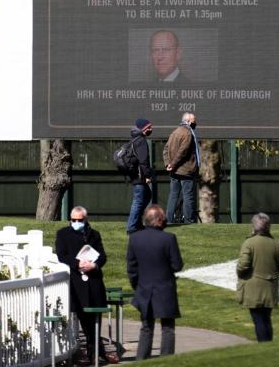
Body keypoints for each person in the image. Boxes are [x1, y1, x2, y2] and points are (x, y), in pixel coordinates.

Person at [55, 206, 120, 365]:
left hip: (94, 281)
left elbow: (102, 257)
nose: (77, 222)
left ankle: (97, 352)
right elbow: (62, 255)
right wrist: (78, 264)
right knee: (84, 318)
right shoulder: (63, 234)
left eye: (80, 220)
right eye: (74, 220)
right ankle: (94, 352)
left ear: (86, 219)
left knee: (96, 318)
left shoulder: (93, 234)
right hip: (77, 281)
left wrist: (94, 265)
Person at [126, 205, 183, 360]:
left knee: (146, 328)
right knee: (168, 328)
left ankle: (141, 360)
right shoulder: (168, 238)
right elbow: (177, 265)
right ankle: (166, 360)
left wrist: (137, 286)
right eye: (163, 218)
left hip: (144, 289)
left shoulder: (135, 238)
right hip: (165, 289)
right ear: (158, 220)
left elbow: (131, 267)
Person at [236, 212, 279, 342]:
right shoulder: (275, 244)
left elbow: (243, 265)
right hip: (270, 288)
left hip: (252, 288)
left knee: (258, 320)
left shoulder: (249, 243)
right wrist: (273, 273)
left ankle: (263, 346)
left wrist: (240, 273)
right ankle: (268, 345)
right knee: (266, 319)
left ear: (253, 226)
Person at [164, 112, 200, 224]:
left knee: (173, 195)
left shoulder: (174, 132)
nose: (195, 123)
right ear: (188, 121)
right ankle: (189, 221)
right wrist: (172, 164)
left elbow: (165, 149)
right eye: (194, 121)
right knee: (188, 196)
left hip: (174, 171)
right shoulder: (188, 133)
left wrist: (168, 164)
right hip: (186, 170)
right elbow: (182, 152)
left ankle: (169, 220)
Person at [126, 118, 155, 234]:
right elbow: (143, 161)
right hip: (139, 175)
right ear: (143, 129)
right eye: (149, 127)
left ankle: (137, 223)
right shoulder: (141, 141)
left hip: (135, 174)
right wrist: (147, 175)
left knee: (147, 195)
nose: (151, 129)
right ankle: (132, 227)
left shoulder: (135, 139)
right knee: (138, 200)